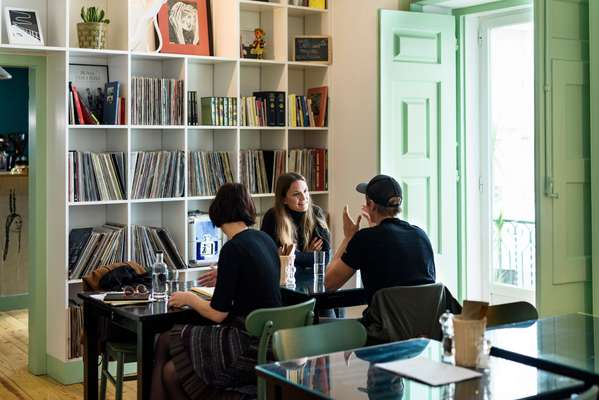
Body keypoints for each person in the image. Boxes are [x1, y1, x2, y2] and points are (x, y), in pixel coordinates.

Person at [150, 183, 282, 400]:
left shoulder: (232, 248)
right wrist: (226, 275)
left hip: (244, 345)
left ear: (218, 211)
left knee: (164, 340)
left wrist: (189, 298)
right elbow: (257, 282)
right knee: (171, 372)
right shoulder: (264, 240)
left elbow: (217, 314)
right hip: (271, 344)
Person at [325, 174, 436, 305]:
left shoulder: (364, 239)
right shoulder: (420, 235)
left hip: (383, 324)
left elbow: (329, 283)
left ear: (371, 205)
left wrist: (349, 237)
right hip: (425, 323)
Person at [261, 172, 331, 270]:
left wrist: (293, 256)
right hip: (282, 278)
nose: (304, 197)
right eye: (296, 194)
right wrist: (307, 255)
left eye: (305, 191)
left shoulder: (316, 213)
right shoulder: (272, 217)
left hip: (310, 277)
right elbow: (270, 257)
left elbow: (324, 258)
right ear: (284, 199)